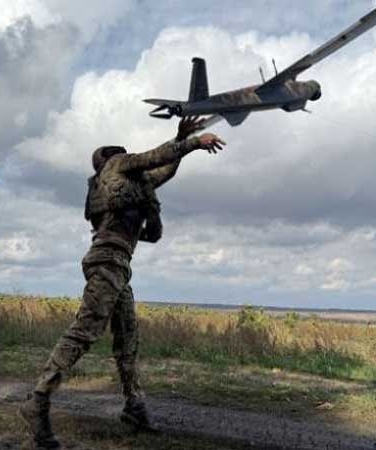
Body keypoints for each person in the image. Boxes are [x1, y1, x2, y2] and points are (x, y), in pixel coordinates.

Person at [20, 117, 226, 449]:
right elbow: (153, 158)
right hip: (107, 262)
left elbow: (163, 170)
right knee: (84, 331)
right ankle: (38, 399)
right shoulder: (117, 166)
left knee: (128, 338)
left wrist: (181, 141)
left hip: (118, 266)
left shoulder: (131, 185)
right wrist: (192, 143)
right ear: (108, 161)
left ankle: (134, 408)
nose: (122, 155)